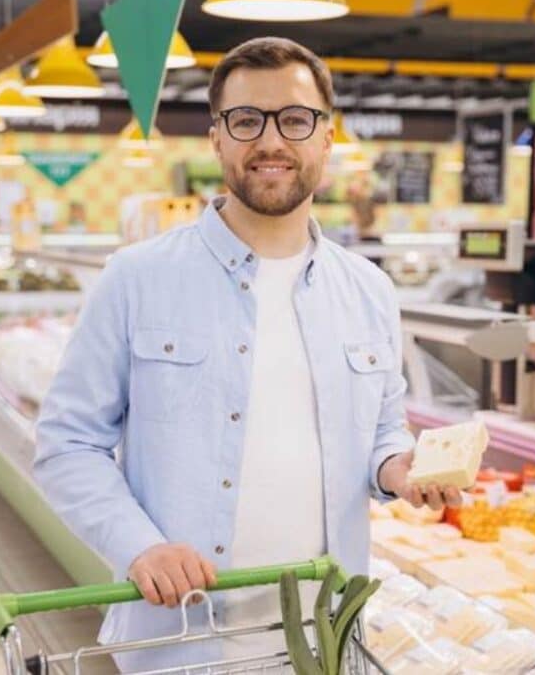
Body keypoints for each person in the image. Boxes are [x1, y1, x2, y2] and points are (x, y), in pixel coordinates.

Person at [33, 36, 462, 671]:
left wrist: (397, 468)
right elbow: (67, 444)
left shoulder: (369, 289)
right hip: (181, 639)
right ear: (217, 139)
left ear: (326, 136)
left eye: (294, 119)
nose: (270, 141)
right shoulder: (136, 278)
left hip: (324, 639)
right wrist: (140, 547)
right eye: (245, 120)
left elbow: (381, 429)